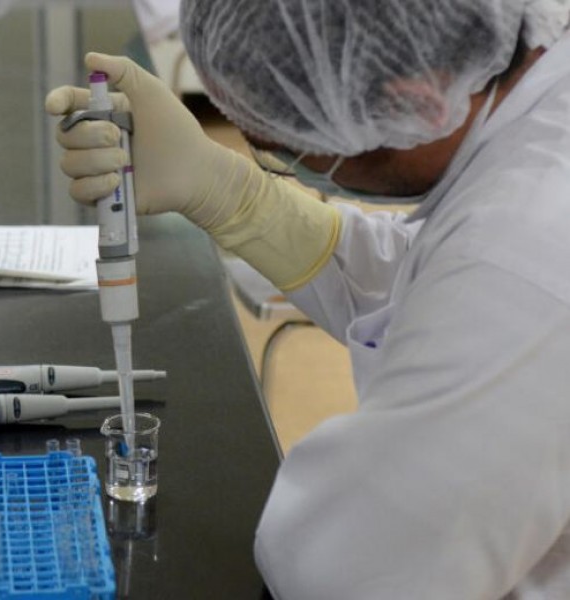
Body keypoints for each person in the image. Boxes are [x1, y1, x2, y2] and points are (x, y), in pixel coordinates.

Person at [46, 0, 570, 597]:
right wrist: (230, 193)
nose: (285, 161)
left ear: (414, 104)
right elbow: (431, 284)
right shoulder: (539, 98)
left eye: (286, 150)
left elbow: (355, 570)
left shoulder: (519, 262)